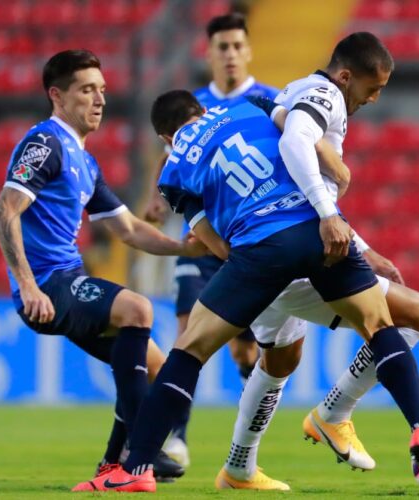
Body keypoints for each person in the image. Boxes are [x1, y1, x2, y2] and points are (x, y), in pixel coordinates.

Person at [80, 84, 419, 494]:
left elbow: (213, 244)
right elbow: (299, 140)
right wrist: (337, 178)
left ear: (165, 138)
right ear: (202, 109)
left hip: (259, 252)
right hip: (314, 230)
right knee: (381, 324)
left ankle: (139, 470)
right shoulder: (248, 106)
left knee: (190, 350)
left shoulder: (173, 169)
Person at [0, 50, 205, 492]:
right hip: (50, 284)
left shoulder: (85, 161)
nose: (99, 99)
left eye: (102, 90)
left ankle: (111, 468)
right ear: (57, 96)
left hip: (67, 281)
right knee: (138, 308)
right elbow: (2, 213)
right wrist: (28, 286)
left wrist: (184, 247)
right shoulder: (44, 143)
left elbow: (126, 228)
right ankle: (139, 460)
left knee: (158, 365)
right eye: (87, 90)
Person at [140, 13, 280, 466]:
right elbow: (168, 164)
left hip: (249, 241)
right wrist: (156, 201)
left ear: (249, 50)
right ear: (210, 53)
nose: (231, 55)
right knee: (187, 334)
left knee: (247, 350)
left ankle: (247, 444)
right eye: (223, 47)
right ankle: (175, 438)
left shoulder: (268, 101)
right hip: (201, 244)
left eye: (238, 46)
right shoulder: (190, 105)